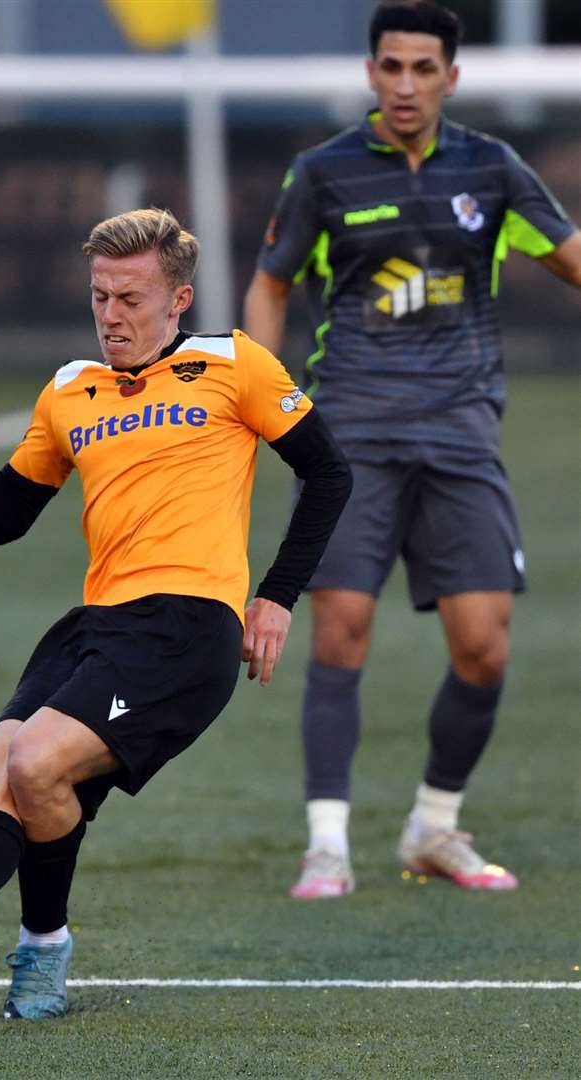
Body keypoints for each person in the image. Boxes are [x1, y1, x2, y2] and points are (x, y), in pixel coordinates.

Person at [0, 209, 353, 1019]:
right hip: (95, 627)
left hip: (188, 627)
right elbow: (5, 520)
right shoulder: (70, 390)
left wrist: (274, 596)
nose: (111, 315)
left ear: (178, 301)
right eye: (100, 296)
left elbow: (329, 473)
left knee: (34, 763)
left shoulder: (234, 365)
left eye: (131, 298)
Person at [242, 0, 581, 901]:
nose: (405, 85)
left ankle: (435, 825)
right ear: (371, 73)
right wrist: (269, 398)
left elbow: (574, 257)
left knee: (485, 649)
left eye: (422, 69)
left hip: (462, 433)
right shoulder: (325, 172)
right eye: (390, 67)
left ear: (451, 79)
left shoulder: (493, 169)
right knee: (342, 632)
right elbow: (270, 284)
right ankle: (327, 845)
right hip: (353, 434)